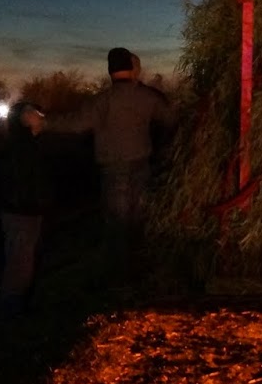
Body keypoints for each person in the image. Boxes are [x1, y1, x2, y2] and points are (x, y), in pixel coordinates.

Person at [46, 47, 177, 279]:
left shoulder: (102, 101)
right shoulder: (148, 96)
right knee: (138, 220)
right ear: (132, 68)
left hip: (113, 169)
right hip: (142, 165)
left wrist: (44, 123)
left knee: (116, 225)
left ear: (110, 71)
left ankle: (119, 278)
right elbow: (171, 118)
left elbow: (75, 124)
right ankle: (139, 273)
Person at [0, 101, 48, 315]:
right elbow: (21, 180)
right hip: (21, 211)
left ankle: (19, 303)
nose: (39, 117)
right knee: (20, 260)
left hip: (26, 209)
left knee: (24, 259)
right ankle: (11, 308)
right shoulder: (21, 147)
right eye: (33, 114)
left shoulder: (27, 144)